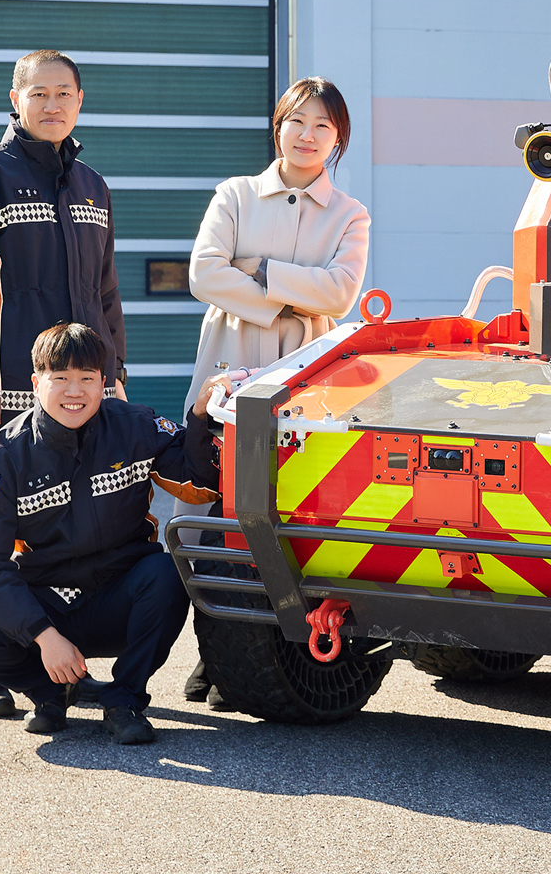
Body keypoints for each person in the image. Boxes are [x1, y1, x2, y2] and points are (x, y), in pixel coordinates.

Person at [0, 49, 128, 718]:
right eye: (37, 93)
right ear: (14, 100)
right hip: (9, 393)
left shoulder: (93, 187)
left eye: (63, 93)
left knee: (74, 536)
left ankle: (55, 664)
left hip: (82, 396)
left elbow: (105, 294)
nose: (51, 104)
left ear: (80, 102)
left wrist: (116, 375)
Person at [174, 76, 370, 705]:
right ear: (278, 126)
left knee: (282, 515)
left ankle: (247, 658)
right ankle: (215, 654)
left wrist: (259, 271)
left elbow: (341, 294)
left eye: (323, 126)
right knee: (206, 510)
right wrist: (291, 292)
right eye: (297, 122)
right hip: (228, 361)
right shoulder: (235, 195)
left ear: (337, 139)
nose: (307, 136)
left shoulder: (350, 214)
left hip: (306, 371)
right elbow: (205, 274)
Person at [0, 322, 226, 744]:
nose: (74, 391)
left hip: (118, 597)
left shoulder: (137, 426)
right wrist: (44, 637)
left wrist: (201, 416)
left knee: (168, 573)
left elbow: (198, 479)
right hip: (46, 603)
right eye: (60, 378)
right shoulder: (1, 458)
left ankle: (125, 699)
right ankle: (52, 692)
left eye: (87, 379)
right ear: (35, 382)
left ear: (105, 384)